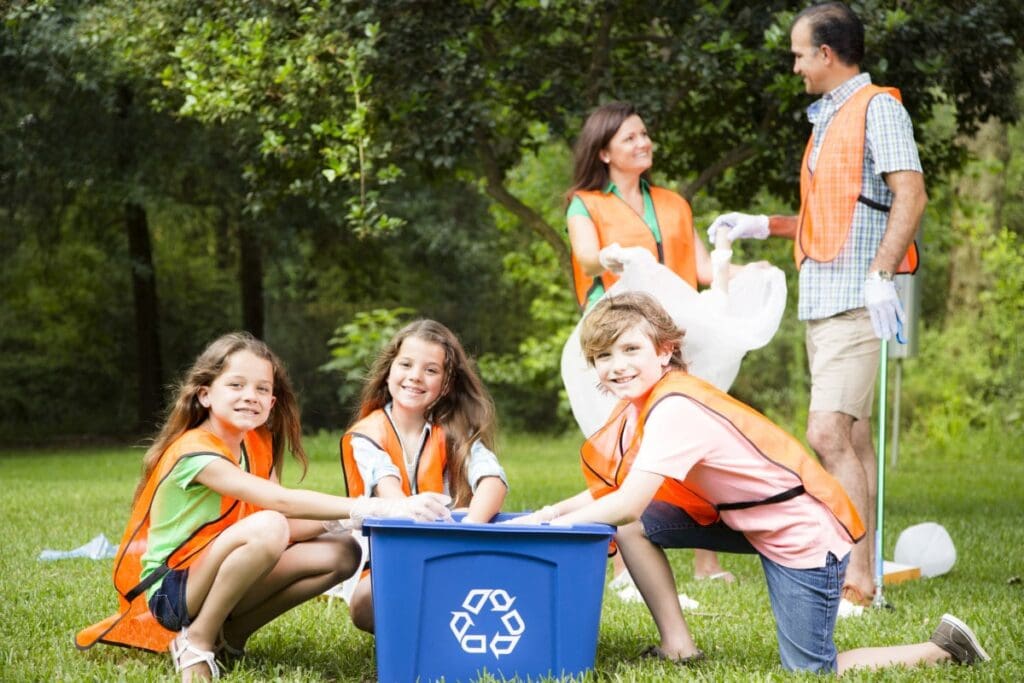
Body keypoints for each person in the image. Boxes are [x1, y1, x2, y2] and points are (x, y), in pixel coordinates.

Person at [518, 292, 988, 673]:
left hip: (799, 536)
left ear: (664, 350)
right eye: (602, 356)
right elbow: (616, 490)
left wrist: (542, 525)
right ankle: (678, 647)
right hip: (742, 520)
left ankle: (943, 648)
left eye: (630, 350)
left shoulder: (676, 407)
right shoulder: (646, 401)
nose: (615, 365)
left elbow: (626, 502)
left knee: (812, 671)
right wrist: (549, 513)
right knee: (634, 528)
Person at [707, 1, 927, 608]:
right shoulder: (827, 118)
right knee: (851, 443)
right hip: (824, 303)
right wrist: (763, 225)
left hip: (860, 301)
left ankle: (856, 585)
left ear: (827, 54)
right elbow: (833, 216)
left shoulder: (877, 107)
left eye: (800, 54)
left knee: (826, 434)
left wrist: (882, 273)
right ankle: (866, 575)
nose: (797, 65)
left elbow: (911, 194)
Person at [77, 332, 450, 682]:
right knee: (270, 525)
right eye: (236, 385)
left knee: (343, 552)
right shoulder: (194, 451)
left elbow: (287, 524)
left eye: (262, 389)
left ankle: (231, 636)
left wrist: (344, 523)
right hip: (172, 590)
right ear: (205, 394)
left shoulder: (253, 444)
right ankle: (197, 641)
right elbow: (278, 506)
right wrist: (374, 508)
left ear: (272, 402)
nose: (250, 396)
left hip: (219, 571)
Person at [566, 101, 733, 584]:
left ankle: (707, 560)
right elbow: (585, 257)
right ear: (603, 153)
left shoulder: (674, 203)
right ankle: (621, 563)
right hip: (621, 337)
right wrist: (610, 256)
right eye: (630, 138)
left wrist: (743, 269)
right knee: (620, 442)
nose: (643, 143)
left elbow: (702, 271)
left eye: (644, 134)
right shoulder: (586, 203)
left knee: (698, 437)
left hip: (678, 338)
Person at [339, 319, 508, 633]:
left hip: (455, 549)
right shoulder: (366, 435)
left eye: (431, 370)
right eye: (406, 364)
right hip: (389, 559)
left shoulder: (457, 429)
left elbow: (492, 480)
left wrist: (467, 531)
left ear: (446, 382)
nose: (415, 376)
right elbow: (391, 494)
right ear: (389, 370)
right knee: (368, 603)